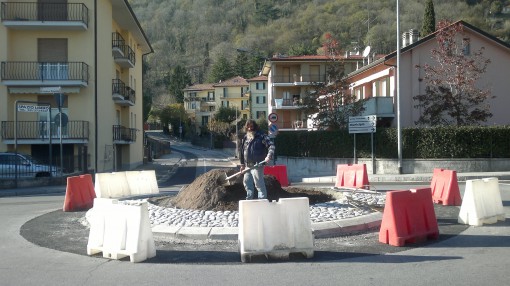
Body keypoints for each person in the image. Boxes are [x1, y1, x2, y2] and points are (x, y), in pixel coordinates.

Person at [239, 119, 275, 200]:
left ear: (255, 126)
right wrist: (242, 164)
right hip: (248, 165)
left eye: (251, 126)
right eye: (248, 127)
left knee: (258, 184)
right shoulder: (245, 137)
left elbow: (271, 146)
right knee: (247, 182)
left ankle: (262, 201)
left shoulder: (262, 136)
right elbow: (242, 151)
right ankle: (249, 199)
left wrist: (268, 156)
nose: (249, 129)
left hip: (258, 165)